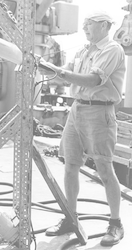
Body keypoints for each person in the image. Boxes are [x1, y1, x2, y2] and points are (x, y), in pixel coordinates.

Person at [38, 10, 126, 247]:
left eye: (90, 24)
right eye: (85, 24)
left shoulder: (112, 49)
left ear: (106, 26)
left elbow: (93, 80)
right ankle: (71, 217)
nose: (85, 27)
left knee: (105, 170)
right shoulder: (83, 50)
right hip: (77, 110)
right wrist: (44, 68)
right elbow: (66, 77)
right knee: (70, 165)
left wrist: (60, 72)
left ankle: (116, 223)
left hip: (100, 112)